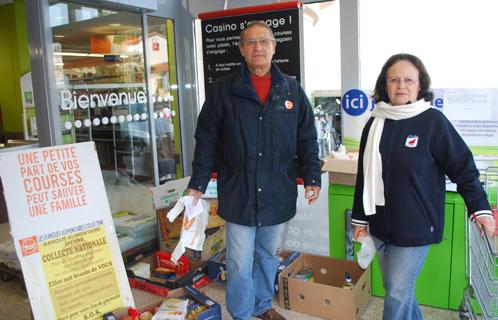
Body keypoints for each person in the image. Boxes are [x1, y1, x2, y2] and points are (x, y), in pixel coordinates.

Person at [186, 21, 321, 320]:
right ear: (241, 49)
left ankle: (262, 305)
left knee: (267, 256)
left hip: (277, 189)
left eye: (264, 41)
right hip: (239, 189)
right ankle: (242, 313)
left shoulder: (292, 90)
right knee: (237, 260)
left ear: (274, 47)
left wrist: (312, 176)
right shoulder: (224, 90)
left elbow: (307, 138)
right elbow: (206, 138)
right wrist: (197, 182)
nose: (257, 47)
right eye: (250, 42)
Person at [351, 53, 495, 320]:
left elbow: (463, 167)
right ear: (385, 85)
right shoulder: (374, 123)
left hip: (416, 225)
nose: (401, 86)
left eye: (409, 80)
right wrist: (360, 220)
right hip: (380, 225)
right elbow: (365, 176)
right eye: (394, 80)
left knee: (396, 295)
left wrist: (481, 209)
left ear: (420, 85)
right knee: (398, 291)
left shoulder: (433, 122)